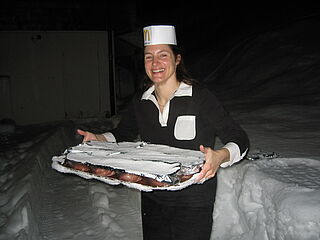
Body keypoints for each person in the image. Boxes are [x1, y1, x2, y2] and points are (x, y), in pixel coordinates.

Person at [77, 25, 249, 240]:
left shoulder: (200, 97)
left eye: (162, 55)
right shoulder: (142, 100)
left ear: (177, 59)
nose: (155, 63)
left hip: (193, 200)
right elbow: (124, 132)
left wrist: (219, 157)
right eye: (149, 57)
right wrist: (99, 139)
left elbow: (239, 138)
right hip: (152, 194)